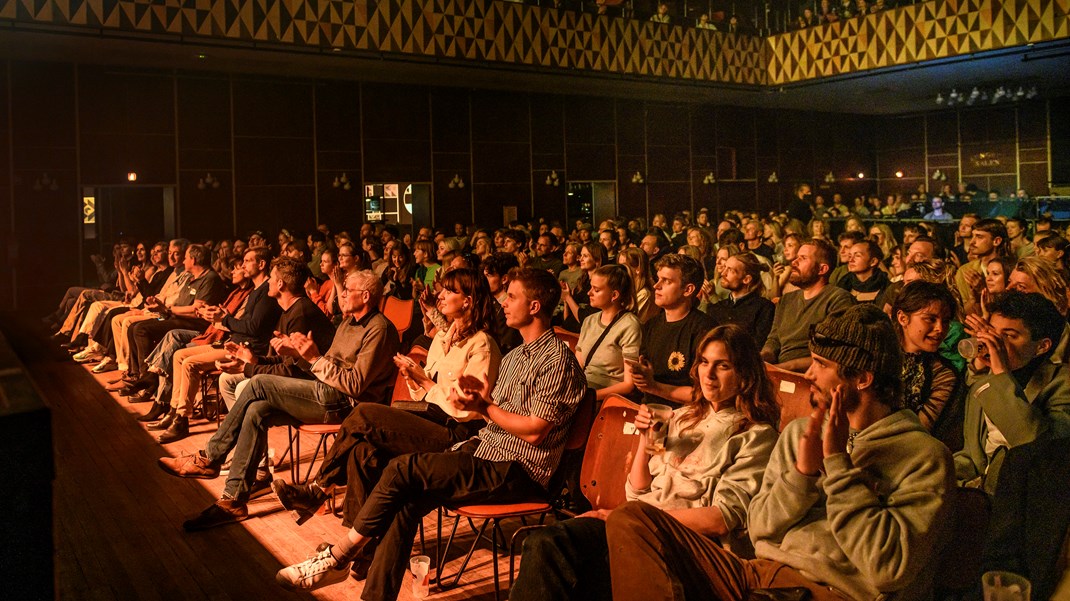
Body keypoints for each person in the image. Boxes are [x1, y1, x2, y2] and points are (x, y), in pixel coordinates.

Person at [605, 304, 956, 601]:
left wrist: (836, 465)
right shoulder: (801, 434)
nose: (809, 372)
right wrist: (802, 476)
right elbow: (759, 529)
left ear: (861, 378)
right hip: (756, 572)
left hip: (823, 590)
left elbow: (887, 568)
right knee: (629, 521)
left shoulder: (923, 457)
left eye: (821, 363)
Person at [273, 268, 587, 599]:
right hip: (483, 450)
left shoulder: (557, 361)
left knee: (402, 468)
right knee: (403, 498)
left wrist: (482, 408)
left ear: (535, 306)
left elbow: (536, 432)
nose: (504, 303)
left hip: (517, 469)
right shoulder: (516, 355)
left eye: (511, 297)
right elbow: (493, 412)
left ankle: (338, 555)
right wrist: (469, 400)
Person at [510, 325, 780, 601]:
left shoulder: (755, 435)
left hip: (684, 546)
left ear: (745, 374)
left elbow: (721, 519)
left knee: (565, 560)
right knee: (546, 543)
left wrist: (626, 519)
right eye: (704, 362)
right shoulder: (680, 417)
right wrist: (645, 440)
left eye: (722, 366)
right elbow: (638, 490)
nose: (708, 374)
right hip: (637, 526)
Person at [270, 268, 501, 544]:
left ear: (468, 301)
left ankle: (317, 491)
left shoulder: (483, 346)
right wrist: (414, 379)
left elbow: (466, 410)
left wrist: (425, 384)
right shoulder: (442, 338)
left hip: (456, 433)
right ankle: (360, 548)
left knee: (364, 412)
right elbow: (422, 398)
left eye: (450, 291)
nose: (441, 294)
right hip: (428, 418)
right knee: (363, 451)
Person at [158, 270, 400, 531]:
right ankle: (233, 500)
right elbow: (320, 366)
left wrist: (313, 357)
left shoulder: (380, 329)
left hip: (348, 406)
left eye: (347, 290)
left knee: (259, 383)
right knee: (257, 410)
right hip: (325, 392)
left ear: (365, 296)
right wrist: (297, 355)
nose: (340, 294)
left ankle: (210, 457)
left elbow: (353, 385)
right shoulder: (348, 322)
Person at [955, 291, 1070, 494]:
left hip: (1029, 498)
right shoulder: (983, 382)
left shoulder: (1062, 383)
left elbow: (1041, 453)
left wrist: (1001, 374)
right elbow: (972, 457)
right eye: (992, 332)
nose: (995, 343)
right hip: (981, 496)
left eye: (1009, 336)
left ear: (1041, 347)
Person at [629, 254, 716, 407]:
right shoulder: (651, 325)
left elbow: (704, 393)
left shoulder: (705, 330)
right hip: (648, 409)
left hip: (687, 414)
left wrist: (654, 387)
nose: (656, 286)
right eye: (658, 279)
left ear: (688, 290)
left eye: (667, 281)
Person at [892, 281, 966, 450]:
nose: (940, 328)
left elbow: (918, 431)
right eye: (930, 319)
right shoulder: (877, 355)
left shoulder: (942, 373)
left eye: (945, 321)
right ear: (903, 318)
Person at [762, 239, 854, 372]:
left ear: (822, 269)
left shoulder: (838, 299)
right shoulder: (786, 300)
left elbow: (834, 353)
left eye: (803, 258)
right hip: (780, 372)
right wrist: (762, 359)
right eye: (797, 257)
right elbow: (774, 340)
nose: (794, 262)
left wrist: (784, 368)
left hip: (813, 375)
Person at [575, 264, 642, 402]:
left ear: (614, 295)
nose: (589, 293)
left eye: (596, 289)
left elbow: (628, 385)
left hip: (605, 396)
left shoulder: (629, 325)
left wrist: (589, 397)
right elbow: (578, 366)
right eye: (591, 287)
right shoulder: (590, 321)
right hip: (583, 389)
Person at [706, 253, 774, 346]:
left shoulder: (764, 308)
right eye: (725, 267)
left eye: (730, 270)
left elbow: (758, 346)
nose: (723, 273)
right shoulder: (715, 308)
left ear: (746, 279)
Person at [836, 239, 889, 303]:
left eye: (857, 255)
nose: (851, 260)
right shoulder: (843, 284)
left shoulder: (887, 288)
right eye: (850, 256)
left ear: (873, 261)